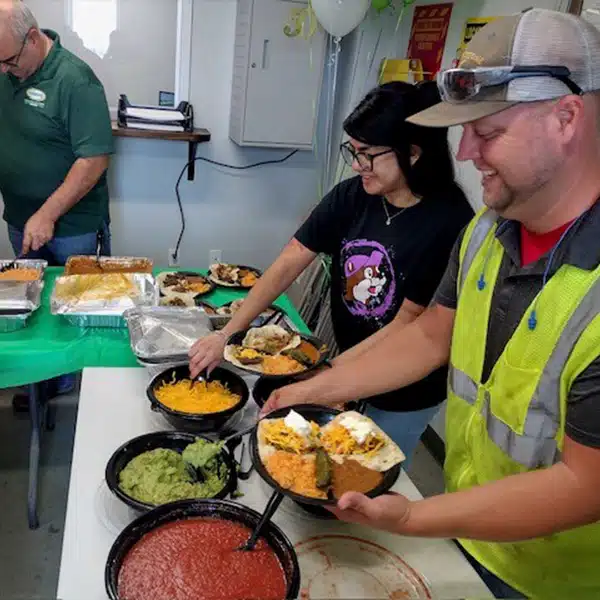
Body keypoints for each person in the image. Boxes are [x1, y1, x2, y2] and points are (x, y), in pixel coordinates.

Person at [261, 8, 600, 599]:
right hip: (470, 529)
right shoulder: (487, 234)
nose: (465, 152)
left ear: (566, 118)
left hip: (552, 579)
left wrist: (414, 518)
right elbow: (426, 336)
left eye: (488, 132)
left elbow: (584, 485)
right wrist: (308, 389)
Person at [189, 81, 473, 466]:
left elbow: (407, 325)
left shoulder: (450, 222)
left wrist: (326, 376)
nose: (357, 165)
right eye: (353, 152)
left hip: (405, 389)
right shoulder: (353, 196)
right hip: (347, 363)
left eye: (368, 154)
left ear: (413, 153)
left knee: (365, 474)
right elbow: (289, 261)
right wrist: (226, 333)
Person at [0, 1, 113, 397]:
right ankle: (37, 382)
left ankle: (62, 382)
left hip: (72, 228)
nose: (3, 70)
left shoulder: (75, 80)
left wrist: (47, 213)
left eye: (8, 60)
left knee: (69, 312)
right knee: (26, 312)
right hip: (19, 218)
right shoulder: (7, 65)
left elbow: (94, 159)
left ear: (32, 38)